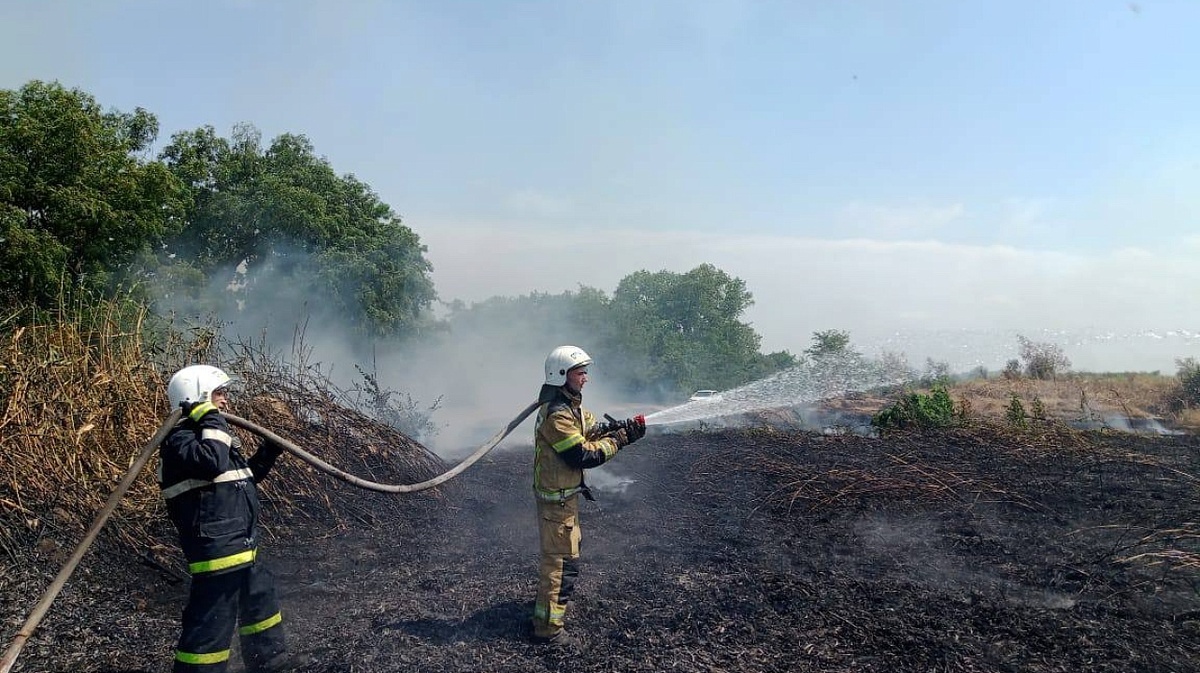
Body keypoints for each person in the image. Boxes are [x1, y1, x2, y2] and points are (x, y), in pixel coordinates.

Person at [159, 365, 288, 672]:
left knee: (260, 605)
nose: (226, 402)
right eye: (219, 394)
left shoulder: (210, 438)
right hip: (217, 555)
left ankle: (269, 663)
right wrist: (210, 418)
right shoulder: (180, 441)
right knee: (211, 624)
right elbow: (213, 464)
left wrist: (268, 453)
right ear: (199, 397)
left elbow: (241, 480)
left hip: (243, 548)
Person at [531, 345, 646, 647]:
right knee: (560, 566)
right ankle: (548, 631)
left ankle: (548, 618)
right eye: (581, 373)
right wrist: (620, 440)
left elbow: (592, 428)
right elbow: (581, 455)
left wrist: (620, 427)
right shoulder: (557, 414)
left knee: (565, 561)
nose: (586, 378)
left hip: (565, 500)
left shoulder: (572, 407)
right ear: (561, 375)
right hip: (556, 504)